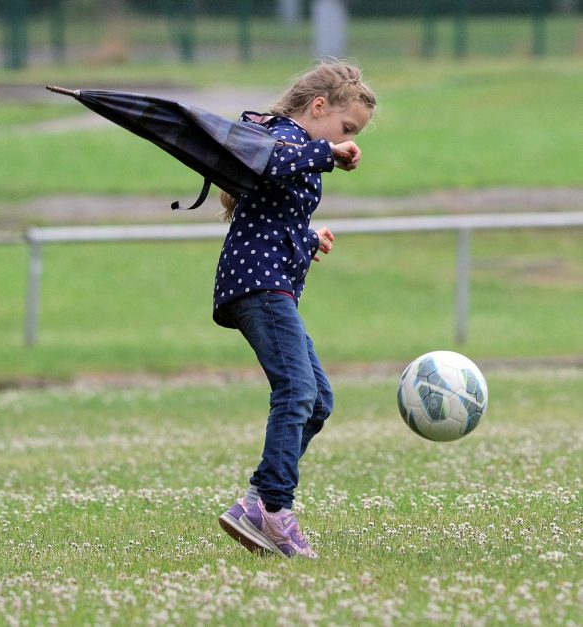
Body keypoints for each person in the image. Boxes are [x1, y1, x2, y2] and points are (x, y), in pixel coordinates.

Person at [214, 59, 377, 559]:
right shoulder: (275, 137)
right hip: (258, 286)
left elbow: (272, 214)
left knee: (319, 399)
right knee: (296, 388)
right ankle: (274, 509)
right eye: (346, 127)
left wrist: (308, 236)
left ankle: (255, 503)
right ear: (319, 106)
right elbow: (274, 161)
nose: (349, 138)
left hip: (273, 283)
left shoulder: (297, 150)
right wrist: (328, 151)